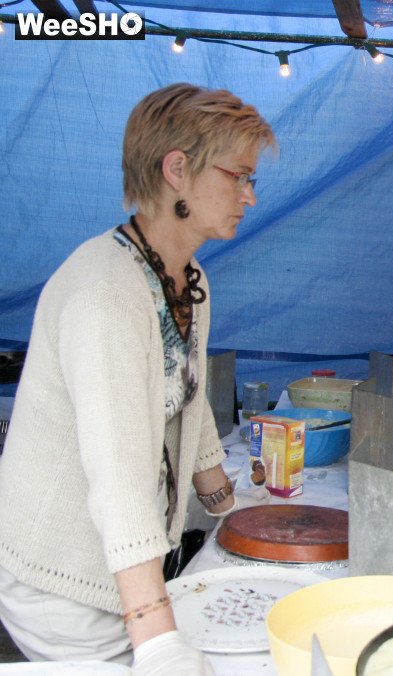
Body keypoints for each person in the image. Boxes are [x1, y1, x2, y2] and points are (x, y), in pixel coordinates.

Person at [0, 83, 276, 674]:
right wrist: (156, 639)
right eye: (239, 177)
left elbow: (191, 396)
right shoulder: (106, 292)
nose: (250, 197)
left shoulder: (188, 275)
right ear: (177, 169)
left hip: (120, 565)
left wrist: (228, 506)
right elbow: (118, 470)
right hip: (67, 581)